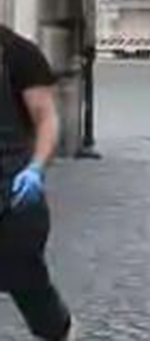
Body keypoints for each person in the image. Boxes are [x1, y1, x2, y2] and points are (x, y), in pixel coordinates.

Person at [0, 24, 76, 340]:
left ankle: (59, 331)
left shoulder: (19, 54)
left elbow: (46, 118)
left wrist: (36, 167)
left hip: (11, 190)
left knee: (26, 280)